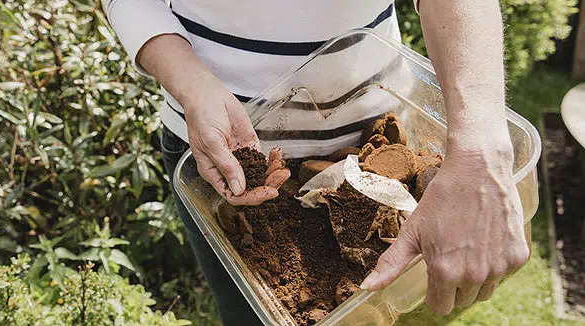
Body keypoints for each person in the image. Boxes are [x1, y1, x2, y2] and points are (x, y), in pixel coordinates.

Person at [101, 0, 531, 323]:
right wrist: (192, 86)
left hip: (374, 146)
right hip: (221, 157)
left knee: (387, 312)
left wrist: (480, 153)